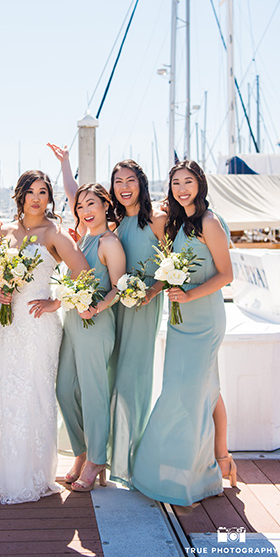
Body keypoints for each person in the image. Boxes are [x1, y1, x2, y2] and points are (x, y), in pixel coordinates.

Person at [0, 170, 89, 505]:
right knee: (5, 391)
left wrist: (56, 300)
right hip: (8, 323)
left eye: (43, 192)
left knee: (34, 391)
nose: (37, 198)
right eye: (31, 192)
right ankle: (3, 470)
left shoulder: (53, 233)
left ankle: (33, 473)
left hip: (39, 324)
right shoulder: (1, 230)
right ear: (19, 195)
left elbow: (84, 272)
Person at [131, 160, 234, 505]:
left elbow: (225, 275)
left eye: (188, 181)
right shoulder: (176, 225)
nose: (181, 188)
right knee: (185, 389)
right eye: (176, 182)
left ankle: (195, 477)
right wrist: (151, 291)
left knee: (190, 393)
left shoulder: (209, 221)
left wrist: (189, 294)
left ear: (200, 185)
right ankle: (209, 464)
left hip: (204, 319)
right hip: (178, 320)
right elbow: (170, 271)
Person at [56, 183, 126, 492]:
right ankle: (82, 452)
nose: (85, 210)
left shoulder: (108, 242)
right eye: (80, 206)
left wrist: (97, 307)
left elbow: (120, 286)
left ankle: (97, 459)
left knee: (94, 392)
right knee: (63, 389)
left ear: (105, 205)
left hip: (94, 323)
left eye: (91, 204)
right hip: (71, 321)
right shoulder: (82, 238)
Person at [109, 160, 166, 487]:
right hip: (114, 307)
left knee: (133, 380)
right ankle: (109, 454)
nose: (124, 186)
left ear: (141, 184)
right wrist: (66, 166)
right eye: (118, 181)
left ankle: (130, 461)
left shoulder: (157, 219)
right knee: (113, 377)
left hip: (143, 307)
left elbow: (173, 262)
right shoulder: (114, 222)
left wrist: (152, 291)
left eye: (131, 180)